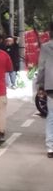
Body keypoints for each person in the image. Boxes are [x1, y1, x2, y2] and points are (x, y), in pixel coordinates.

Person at [36, 22, 53, 158]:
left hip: (51, 85)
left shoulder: (46, 47)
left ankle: (50, 148)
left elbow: (41, 68)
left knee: (51, 116)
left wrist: (40, 85)